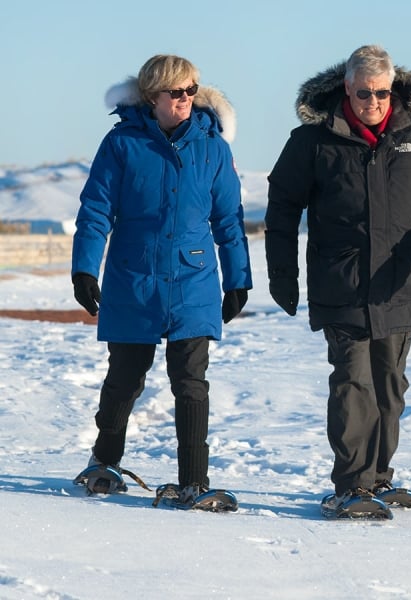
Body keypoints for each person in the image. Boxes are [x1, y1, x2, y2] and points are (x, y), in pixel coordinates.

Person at [265, 44, 411, 512]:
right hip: (342, 283)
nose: (373, 102)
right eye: (363, 93)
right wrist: (283, 274)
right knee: (354, 382)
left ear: (393, 88)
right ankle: (350, 485)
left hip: (401, 282)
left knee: (390, 384)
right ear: (347, 88)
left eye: (381, 93)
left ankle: (378, 478)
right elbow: (281, 209)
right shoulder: (314, 141)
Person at [71, 54, 252, 505]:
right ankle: (104, 460)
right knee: (125, 378)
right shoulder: (121, 145)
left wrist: (238, 279)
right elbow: (96, 211)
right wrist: (83, 269)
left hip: (193, 283)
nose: (186, 99)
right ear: (153, 96)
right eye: (177, 92)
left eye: (192, 90)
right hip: (134, 280)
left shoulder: (213, 148)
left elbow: (228, 219)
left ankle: (195, 480)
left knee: (191, 381)